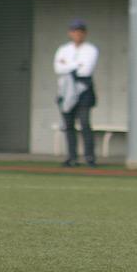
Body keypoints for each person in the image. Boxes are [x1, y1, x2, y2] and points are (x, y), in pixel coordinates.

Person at [54, 19, 99, 167]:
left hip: (84, 92)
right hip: (65, 92)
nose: (77, 34)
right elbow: (58, 68)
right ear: (70, 33)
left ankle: (89, 158)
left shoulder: (91, 49)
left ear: (84, 33)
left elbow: (86, 70)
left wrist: (67, 65)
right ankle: (72, 157)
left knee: (85, 124)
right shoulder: (63, 49)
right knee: (68, 125)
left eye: (80, 31)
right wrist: (75, 65)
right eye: (74, 31)